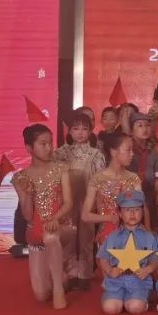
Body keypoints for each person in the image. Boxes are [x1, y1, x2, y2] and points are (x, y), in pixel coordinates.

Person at [12, 125, 75, 310]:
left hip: (63, 227)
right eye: (43, 144)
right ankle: (62, 275)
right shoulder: (20, 177)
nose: (49, 148)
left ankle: (58, 291)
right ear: (29, 148)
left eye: (50, 143)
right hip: (36, 234)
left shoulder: (61, 169)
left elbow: (69, 202)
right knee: (40, 295)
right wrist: (26, 194)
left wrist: (55, 218)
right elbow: (27, 216)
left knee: (51, 236)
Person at [53, 110, 105, 287]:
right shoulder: (60, 153)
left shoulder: (96, 154)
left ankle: (84, 274)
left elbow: (100, 181)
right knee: (67, 237)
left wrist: (98, 203)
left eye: (84, 129)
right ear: (69, 131)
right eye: (76, 129)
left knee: (86, 237)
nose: (80, 133)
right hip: (66, 201)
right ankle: (68, 274)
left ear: (90, 131)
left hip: (87, 201)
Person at [98, 190, 157, 315]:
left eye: (137, 209)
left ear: (142, 212)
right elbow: (103, 258)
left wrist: (148, 269)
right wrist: (110, 270)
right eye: (127, 210)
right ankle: (117, 298)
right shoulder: (112, 236)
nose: (132, 214)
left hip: (138, 280)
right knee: (110, 309)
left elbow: (155, 259)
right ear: (119, 213)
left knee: (135, 308)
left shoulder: (149, 237)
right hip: (116, 280)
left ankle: (139, 300)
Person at [82, 132, 144, 247]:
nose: (132, 154)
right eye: (128, 150)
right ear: (114, 152)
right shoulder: (98, 179)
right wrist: (109, 218)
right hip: (107, 236)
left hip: (132, 235)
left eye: (132, 150)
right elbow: (85, 215)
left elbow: (141, 208)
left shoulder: (133, 178)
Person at [128, 111, 158, 227]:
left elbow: (157, 173)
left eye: (147, 125)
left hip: (149, 191)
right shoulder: (128, 148)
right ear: (131, 130)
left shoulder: (153, 148)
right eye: (140, 125)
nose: (145, 129)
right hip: (132, 191)